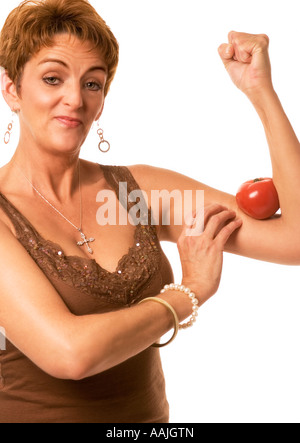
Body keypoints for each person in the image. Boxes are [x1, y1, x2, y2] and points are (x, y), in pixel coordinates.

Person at [0, 0, 298, 424]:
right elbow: (69, 354)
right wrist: (188, 291)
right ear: (12, 88)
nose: (75, 99)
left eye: (92, 83)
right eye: (53, 78)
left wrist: (261, 92)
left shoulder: (134, 193)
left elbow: (294, 239)